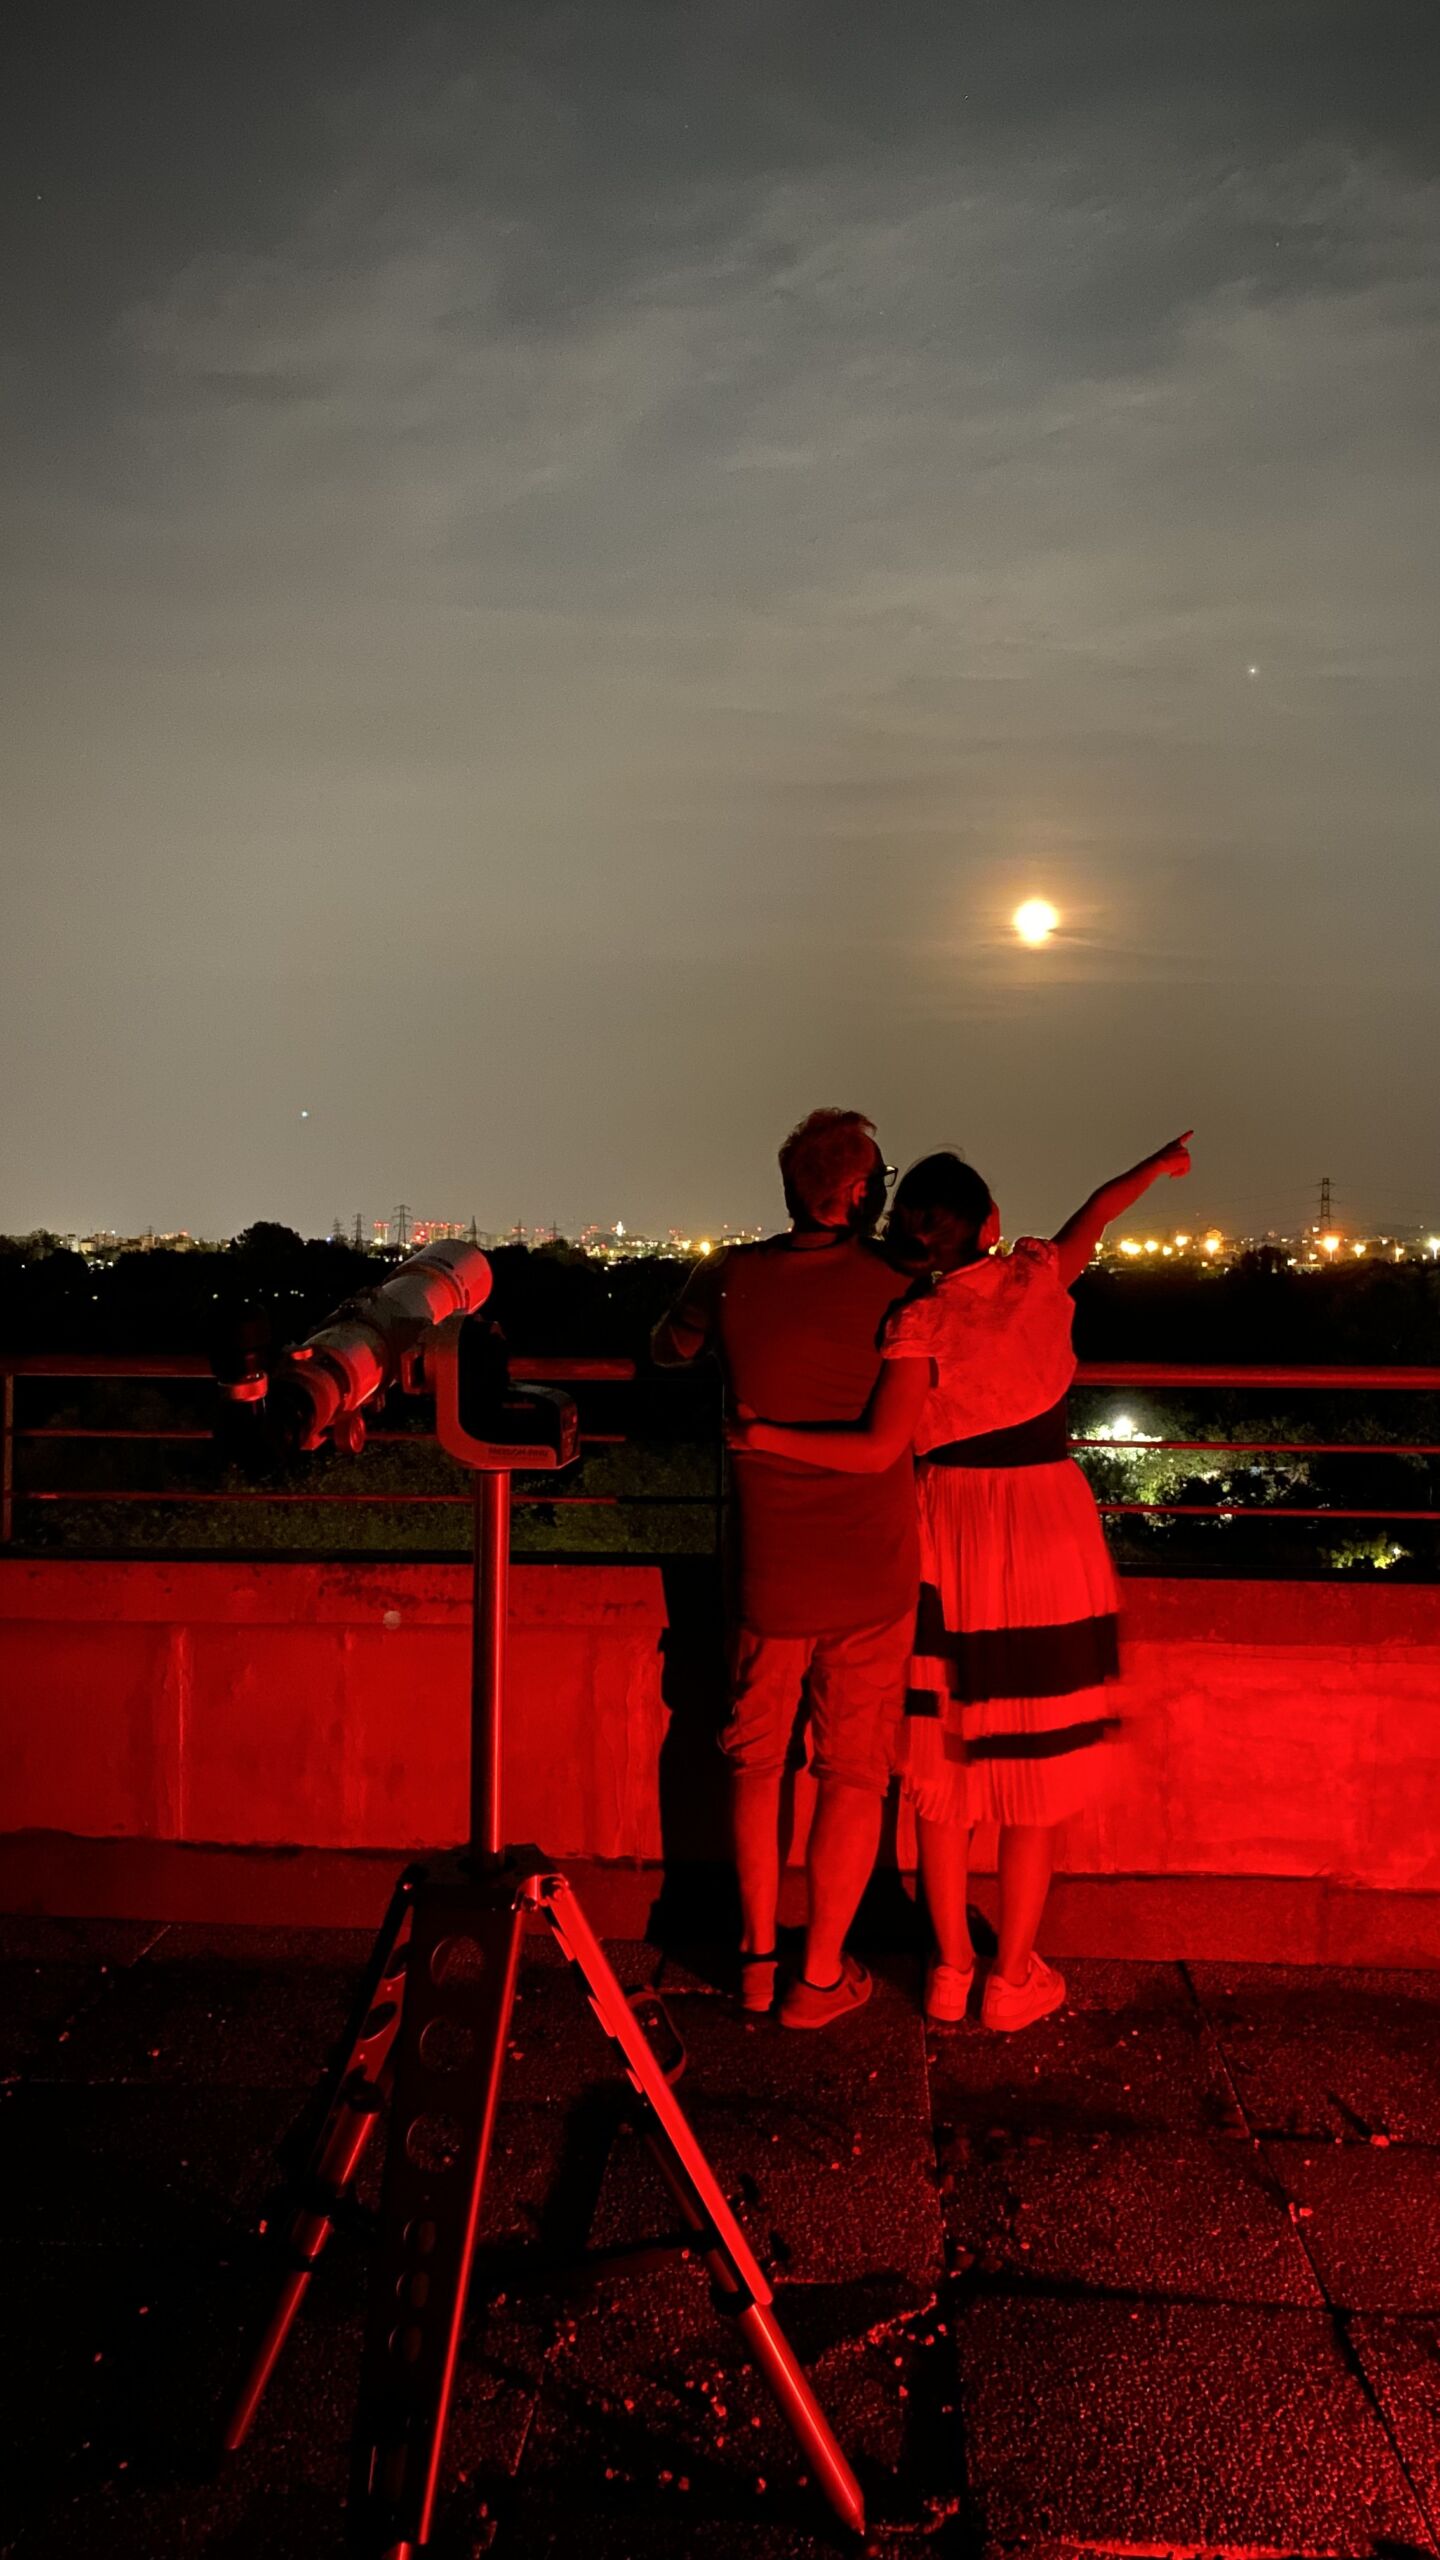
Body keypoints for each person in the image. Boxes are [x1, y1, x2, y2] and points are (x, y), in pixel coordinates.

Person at [728, 1131, 1192, 2033]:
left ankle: (949, 1967)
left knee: (944, 1770)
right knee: (1035, 1765)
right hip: (1046, 1522)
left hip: (947, 1524)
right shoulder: (1036, 1279)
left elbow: (882, 1444)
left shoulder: (915, 1322)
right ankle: (1012, 1976)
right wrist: (1157, 1164)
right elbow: (1097, 1211)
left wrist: (761, 1435)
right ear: (991, 1222)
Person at [652, 1110, 918, 2028]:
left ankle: (758, 1959)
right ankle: (820, 1977)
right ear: (856, 1193)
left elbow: (667, 1347)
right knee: (852, 1774)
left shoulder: (729, 1275)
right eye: (878, 1179)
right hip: (871, 1569)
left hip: (769, 1569)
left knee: (755, 1763)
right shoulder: (898, 1287)